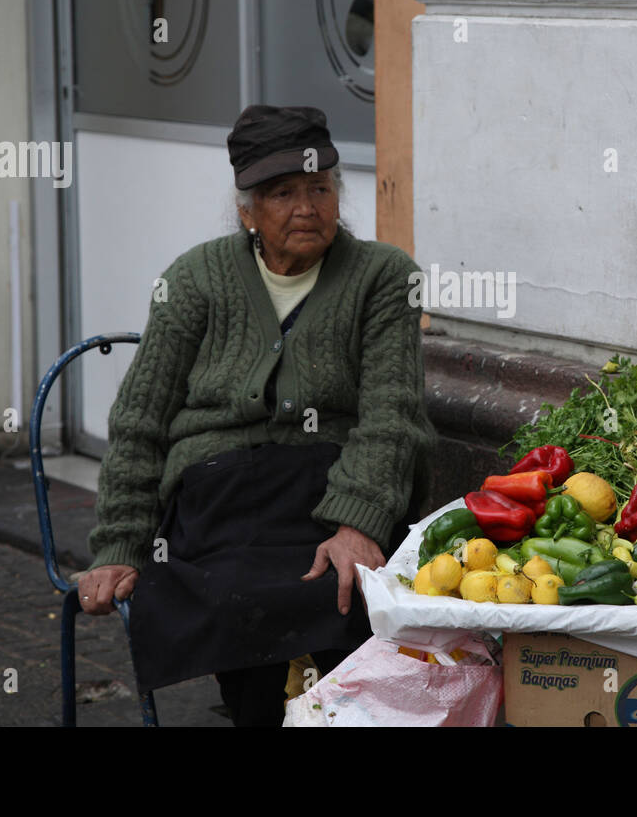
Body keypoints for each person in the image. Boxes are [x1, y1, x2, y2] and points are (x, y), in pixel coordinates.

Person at [78, 105, 436, 726]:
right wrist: (119, 544)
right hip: (219, 491)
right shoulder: (194, 280)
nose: (307, 207)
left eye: (320, 188)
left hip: (329, 484)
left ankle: (331, 713)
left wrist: (358, 524)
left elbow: (391, 415)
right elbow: (140, 420)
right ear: (246, 210)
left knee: (346, 586)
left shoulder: (382, 276)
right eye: (283, 193)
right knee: (232, 592)